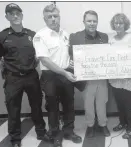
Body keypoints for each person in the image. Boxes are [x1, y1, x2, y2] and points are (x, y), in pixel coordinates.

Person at [0, 3, 50, 147]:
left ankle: (41, 131)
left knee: (37, 105)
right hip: (13, 78)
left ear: (22, 15)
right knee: (13, 109)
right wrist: (5, 71)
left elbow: (39, 55)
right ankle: (15, 139)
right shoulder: (1, 36)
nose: (15, 16)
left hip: (31, 76)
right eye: (11, 13)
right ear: (6, 16)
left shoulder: (32, 35)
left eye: (17, 13)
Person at [33, 4, 82, 147]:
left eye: (56, 16)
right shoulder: (40, 36)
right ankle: (55, 134)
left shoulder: (65, 34)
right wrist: (65, 72)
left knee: (69, 104)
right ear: (45, 19)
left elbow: (67, 55)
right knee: (52, 107)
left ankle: (69, 131)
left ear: (59, 17)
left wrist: (71, 63)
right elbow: (45, 61)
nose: (53, 19)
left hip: (66, 73)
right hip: (51, 76)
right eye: (50, 17)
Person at [69, 10, 110, 138]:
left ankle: (103, 125)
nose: (92, 23)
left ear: (97, 22)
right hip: (85, 78)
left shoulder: (104, 37)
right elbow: (71, 54)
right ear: (84, 22)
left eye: (94, 21)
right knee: (88, 104)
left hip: (101, 77)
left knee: (101, 103)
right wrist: (71, 62)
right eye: (89, 21)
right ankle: (90, 126)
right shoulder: (75, 37)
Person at [108, 13, 131, 139]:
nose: (118, 25)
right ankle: (123, 123)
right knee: (120, 103)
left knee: (129, 103)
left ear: (125, 25)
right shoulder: (111, 39)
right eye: (115, 23)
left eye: (120, 23)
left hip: (129, 78)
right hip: (116, 79)